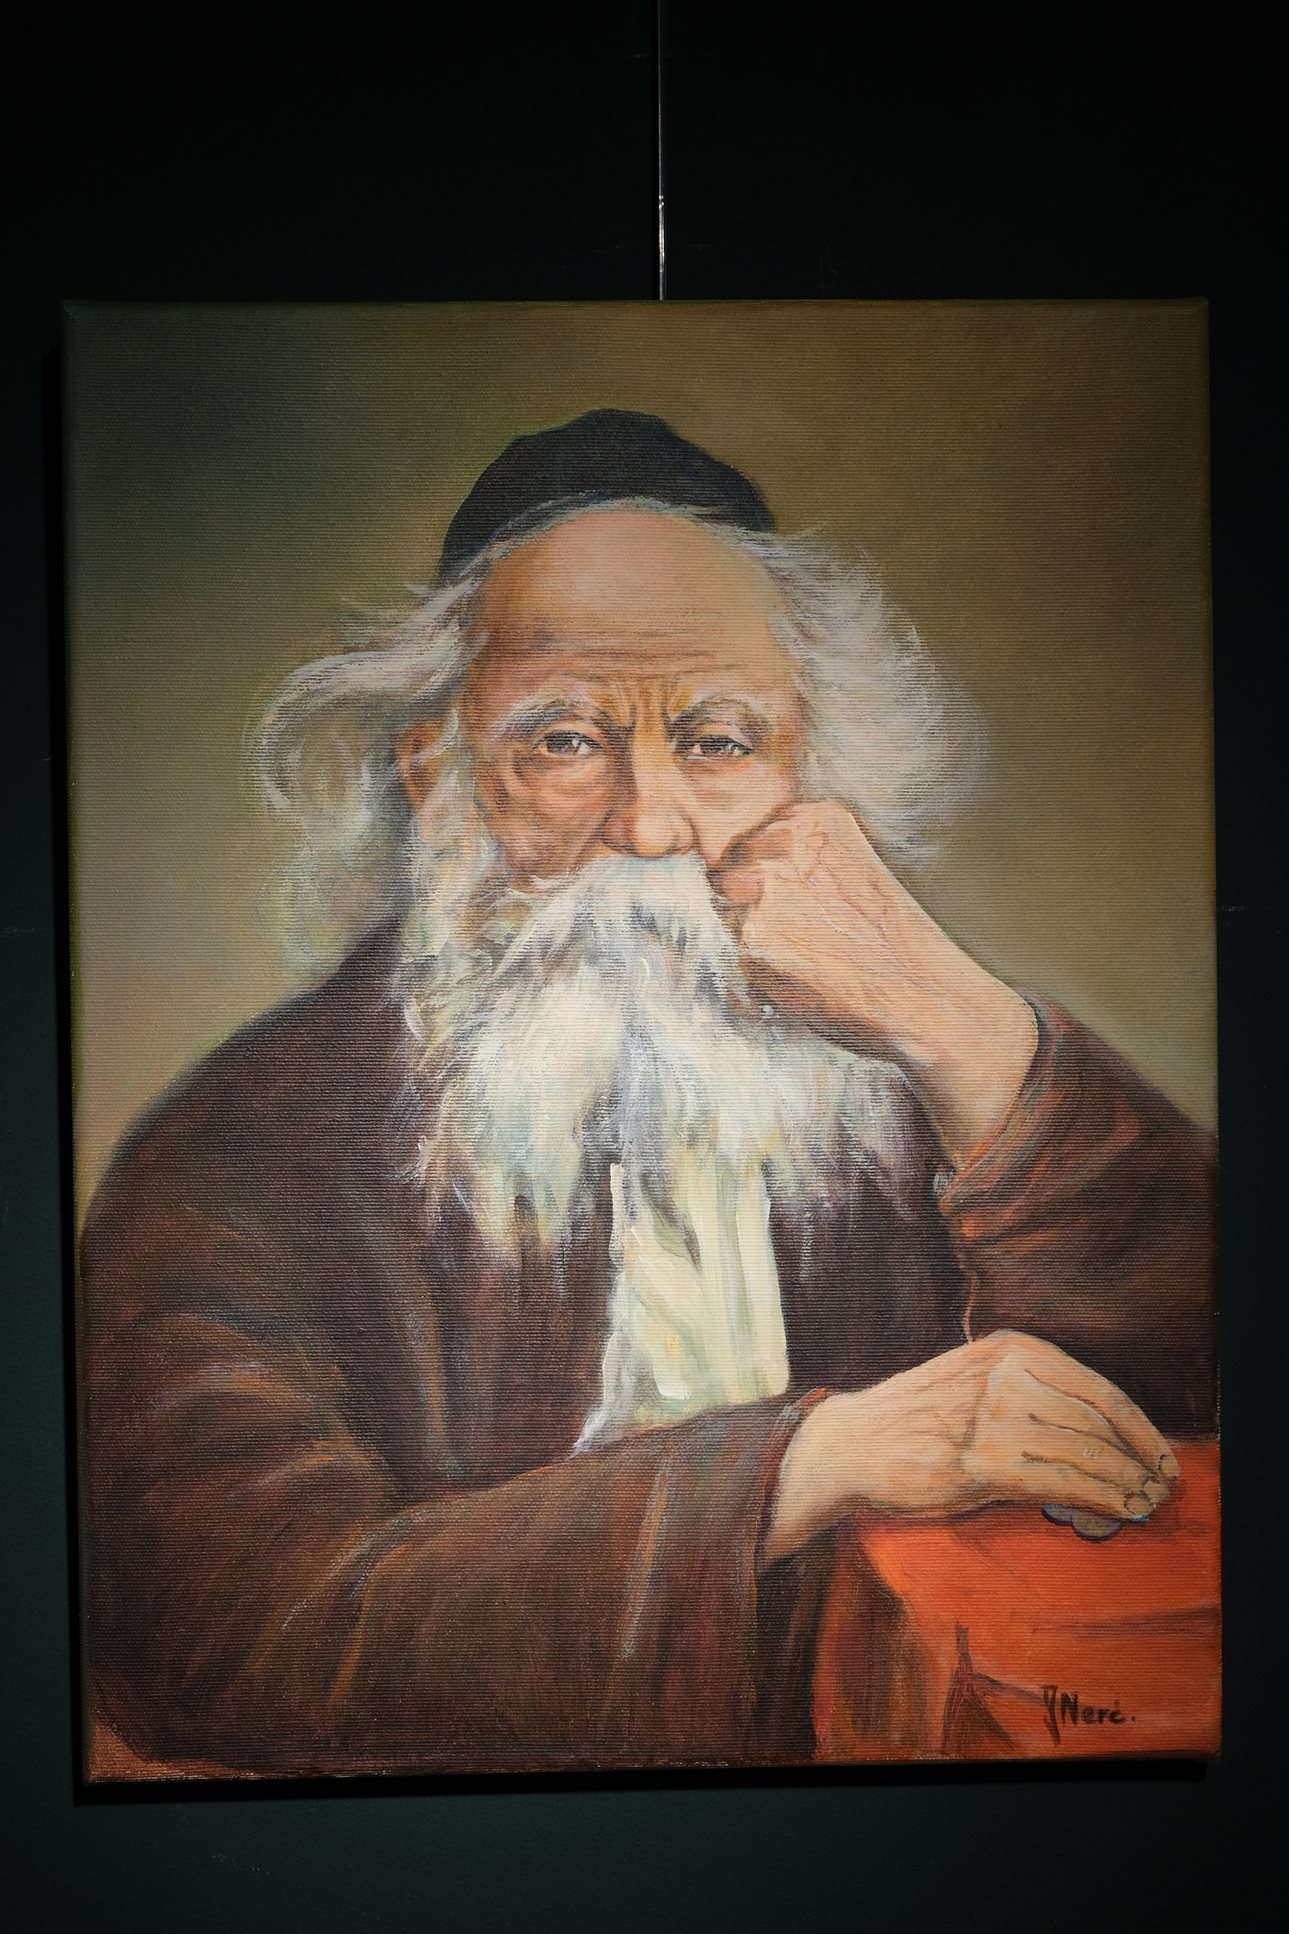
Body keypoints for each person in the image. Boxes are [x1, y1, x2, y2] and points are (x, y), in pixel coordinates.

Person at [81, 409, 1217, 1776]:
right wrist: (801, 1468)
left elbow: (1194, 1389)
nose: (652, 824)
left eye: (719, 741)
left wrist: (971, 1031)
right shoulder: (240, 1151)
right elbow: (228, 1633)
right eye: (565, 740)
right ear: (437, 774)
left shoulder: (903, 1074)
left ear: (809, 773)